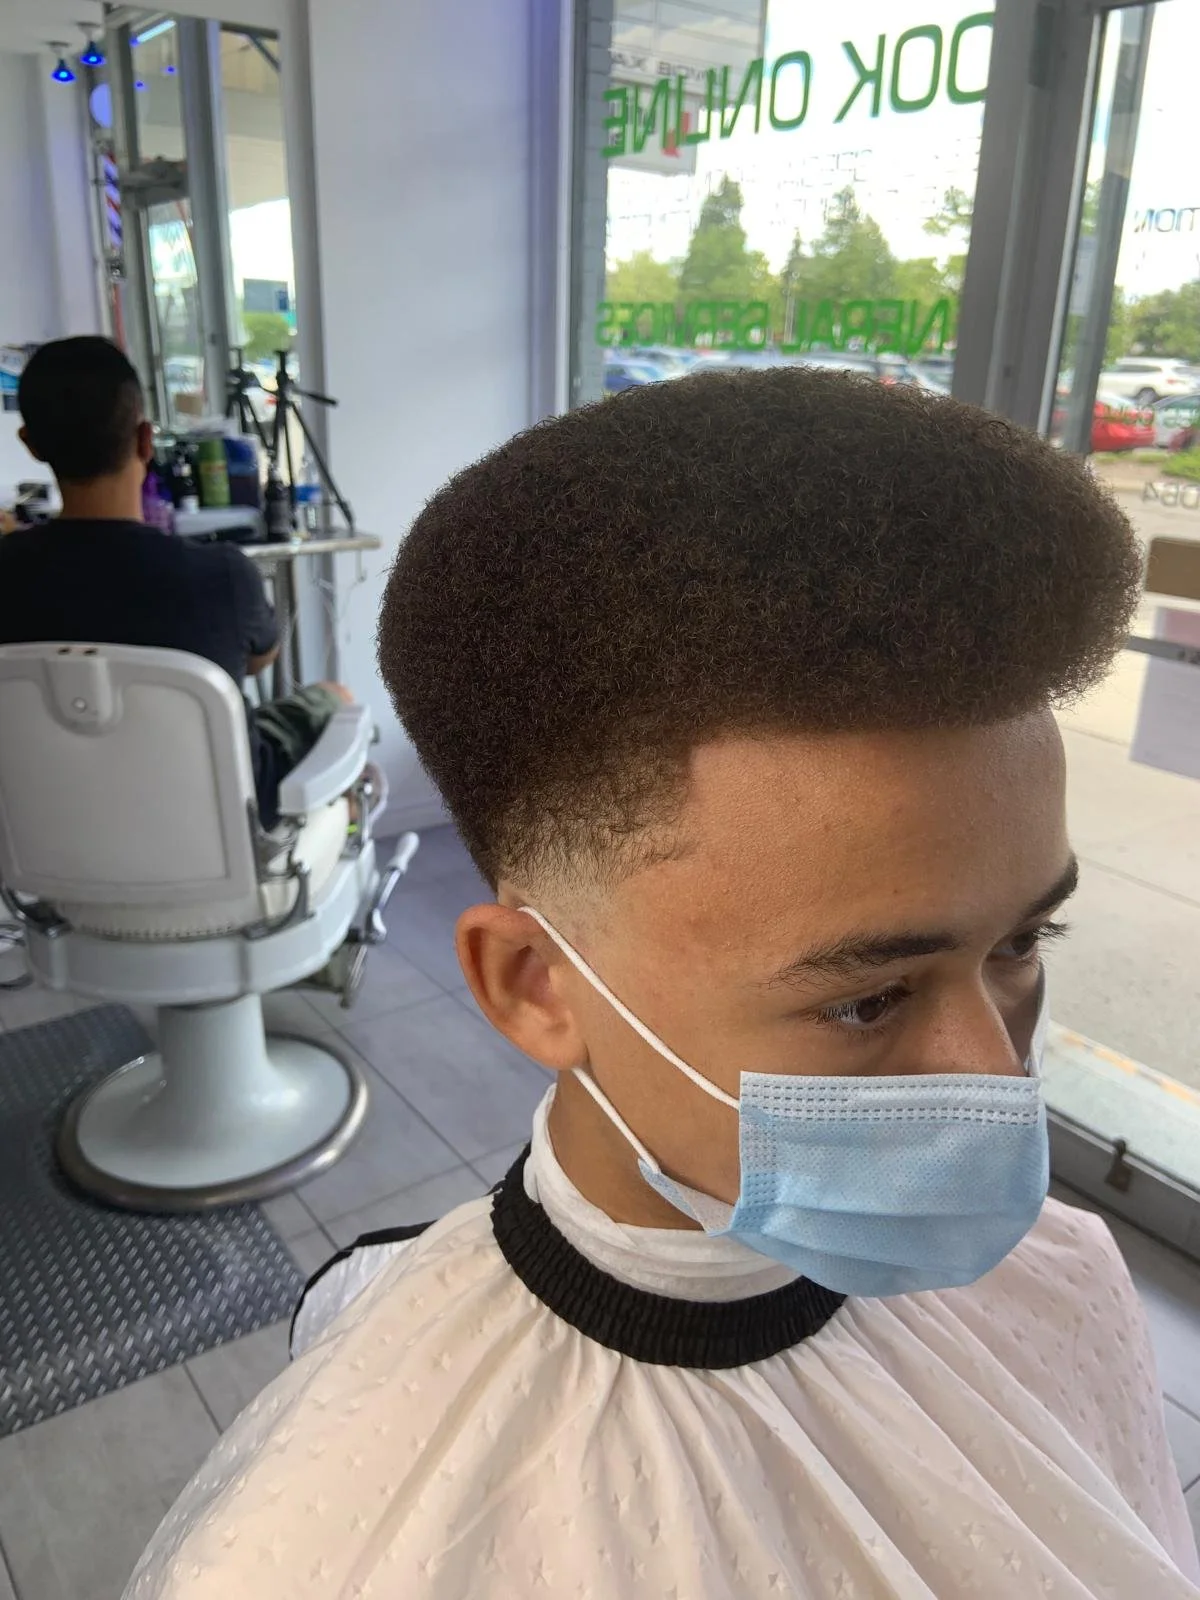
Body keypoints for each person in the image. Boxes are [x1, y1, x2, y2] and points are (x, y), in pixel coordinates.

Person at [126, 370, 1200, 1599]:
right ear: (536, 986)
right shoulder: (337, 1535)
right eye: (868, 998)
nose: (997, 1071)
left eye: (1019, 944)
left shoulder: (1059, 1284)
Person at [0, 336, 350, 828]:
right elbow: (258, 660)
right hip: (222, 826)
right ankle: (334, 843)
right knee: (336, 697)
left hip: (58, 840)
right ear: (145, 440)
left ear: (31, 445)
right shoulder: (223, 574)